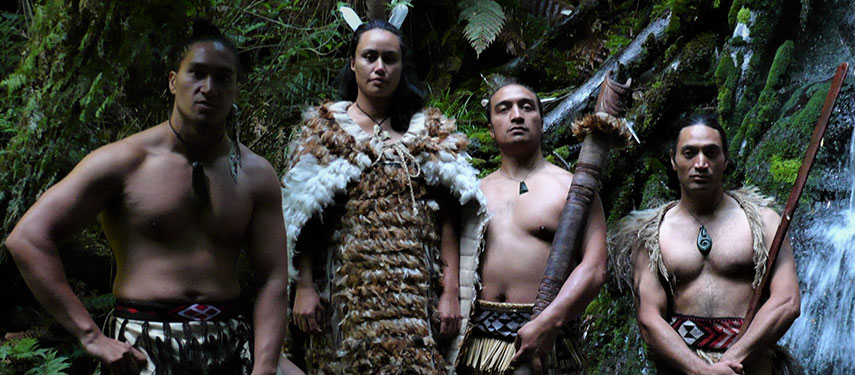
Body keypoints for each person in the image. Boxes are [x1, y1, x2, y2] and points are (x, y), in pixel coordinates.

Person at [4, 20, 293, 375]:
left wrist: (264, 367)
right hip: (143, 348)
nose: (208, 87)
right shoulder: (124, 162)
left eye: (223, 78)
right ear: (173, 81)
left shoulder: (256, 174)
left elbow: (273, 278)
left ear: (235, 88)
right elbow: (27, 238)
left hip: (229, 342)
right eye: (196, 74)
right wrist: (92, 337)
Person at [279, 17, 487, 375]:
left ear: (402, 65)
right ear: (352, 62)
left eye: (389, 58)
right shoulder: (325, 131)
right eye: (369, 56)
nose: (379, 68)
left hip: (415, 297)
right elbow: (302, 219)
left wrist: (451, 292)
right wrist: (304, 286)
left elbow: (450, 217)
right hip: (341, 300)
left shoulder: (428, 133)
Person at [613, 114, 801, 374]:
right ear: (673, 160)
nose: (701, 163)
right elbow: (649, 319)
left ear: (725, 160)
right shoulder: (649, 235)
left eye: (711, 153)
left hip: (749, 366)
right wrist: (701, 371)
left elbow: (787, 301)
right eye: (689, 153)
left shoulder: (765, 222)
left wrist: (730, 361)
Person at [456, 82, 612, 375]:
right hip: (478, 347)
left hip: (549, 341)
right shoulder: (473, 193)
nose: (517, 115)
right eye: (504, 109)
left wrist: (548, 321)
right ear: (490, 129)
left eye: (527, 107)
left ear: (541, 122)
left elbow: (595, 268)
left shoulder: (572, 189)